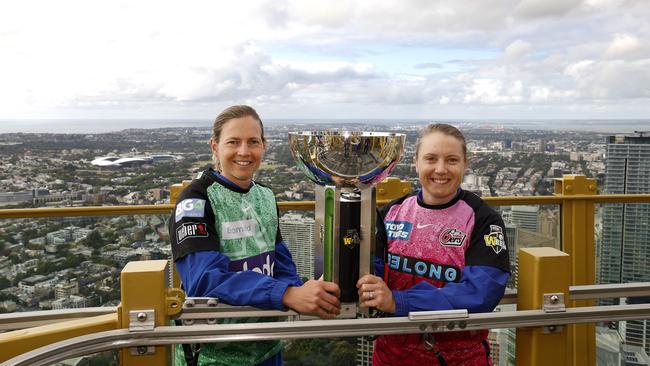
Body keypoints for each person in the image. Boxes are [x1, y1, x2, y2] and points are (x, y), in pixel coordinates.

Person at [170, 105, 341, 366]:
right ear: (214, 147)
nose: (244, 151)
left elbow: (281, 261)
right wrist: (286, 294)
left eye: (253, 141)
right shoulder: (196, 199)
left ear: (264, 145)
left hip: (268, 345)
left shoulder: (265, 196)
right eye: (233, 142)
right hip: (215, 356)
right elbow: (204, 281)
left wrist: (301, 291)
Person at [357, 123, 510, 366]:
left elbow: (481, 293)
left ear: (465, 164)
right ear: (416, 162)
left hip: (459, 359)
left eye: (451, 160)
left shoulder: (482, 219)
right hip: (390, 357)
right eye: (430, 158)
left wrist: (399, 301)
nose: (440, 169)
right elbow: (368, 270)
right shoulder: (392, 213)